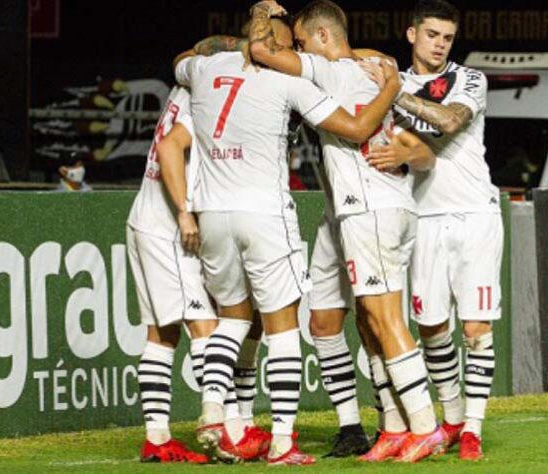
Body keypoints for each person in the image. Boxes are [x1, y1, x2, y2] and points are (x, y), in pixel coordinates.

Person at [174, 9, 401, 464]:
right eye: (289, 46)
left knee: (234, 320)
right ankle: (282, 441)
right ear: (275, 47)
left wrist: (245, 36)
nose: (295, 53)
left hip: (212, 211)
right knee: (281, 329)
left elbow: (186, 54)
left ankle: (215, 413)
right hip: (264, 213)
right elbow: (356, 128)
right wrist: (391, 86)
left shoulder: (203, 69)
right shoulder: (289, 83)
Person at [248, 0, 442, 463]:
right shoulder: (373, 66)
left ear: (319, 38)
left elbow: (259, 50)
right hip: (367, 209)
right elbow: (367, 56)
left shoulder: (329, 70)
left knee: (385, 318)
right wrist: (387, 77)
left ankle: (425, 425)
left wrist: (260, 12)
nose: (295, 51)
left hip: (369, 209)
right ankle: (394, 427)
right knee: (370, 320)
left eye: (299, 43)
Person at [362, 0, 503, 461]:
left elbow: (448, 121)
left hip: (476, 214)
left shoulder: (470, 79)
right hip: (422, 216)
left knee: (476, 328)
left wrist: (393, 92)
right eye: (432, 35)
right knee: (431, 327)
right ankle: (452, 416)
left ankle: (473, 431)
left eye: (447, 37)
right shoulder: (393, 82)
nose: (440, 44)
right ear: (411, 35)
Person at [125, 85, 214, 464]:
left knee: (162, 334)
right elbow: (168, 149)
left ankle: (157, 438)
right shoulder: (205, 98)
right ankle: (219, 426)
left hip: (144, 217)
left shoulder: (185, 84)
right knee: (204, 326)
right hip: (167, 227)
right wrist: (183, 212)